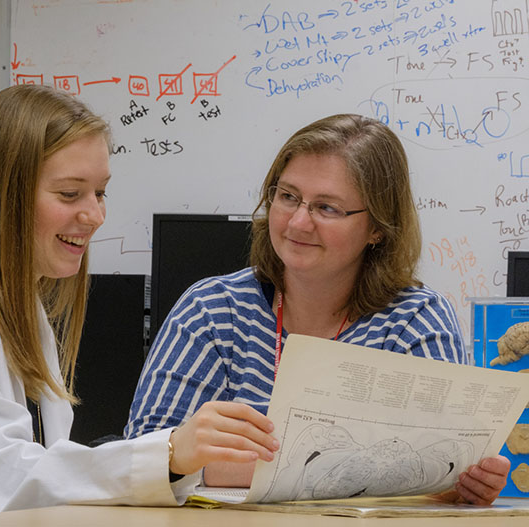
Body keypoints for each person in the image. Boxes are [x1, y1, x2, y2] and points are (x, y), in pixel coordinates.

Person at [0, 84, 278, 517]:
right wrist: (167, 453)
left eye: (100, 193)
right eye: (70, 194)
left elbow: (47, 477)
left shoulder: (22, 308)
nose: (94, 216)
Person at [127, 114, 510, 505]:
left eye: (327, 208)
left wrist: (464, 484)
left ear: (378, 227)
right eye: (288, 196)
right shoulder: (211, 309)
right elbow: (142, 461)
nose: (297, 222)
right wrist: (362, 469)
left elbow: (436, 470)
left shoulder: (416, 320)